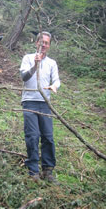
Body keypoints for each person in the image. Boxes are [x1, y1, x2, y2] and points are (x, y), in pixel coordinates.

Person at [20, 31, 60, 183]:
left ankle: (48, 171)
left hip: (45, 103)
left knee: (48, 137)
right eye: (41, 42)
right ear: (36, 43)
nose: (44, 45)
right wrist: (34, 66)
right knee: (32, 136)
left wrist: (54, 86)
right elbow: (24, 77)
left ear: (49, 46)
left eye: (46, 43)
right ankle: (33, 171)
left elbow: (56, 81)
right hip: (29, 101)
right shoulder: (28, 58)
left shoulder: (52, 63)